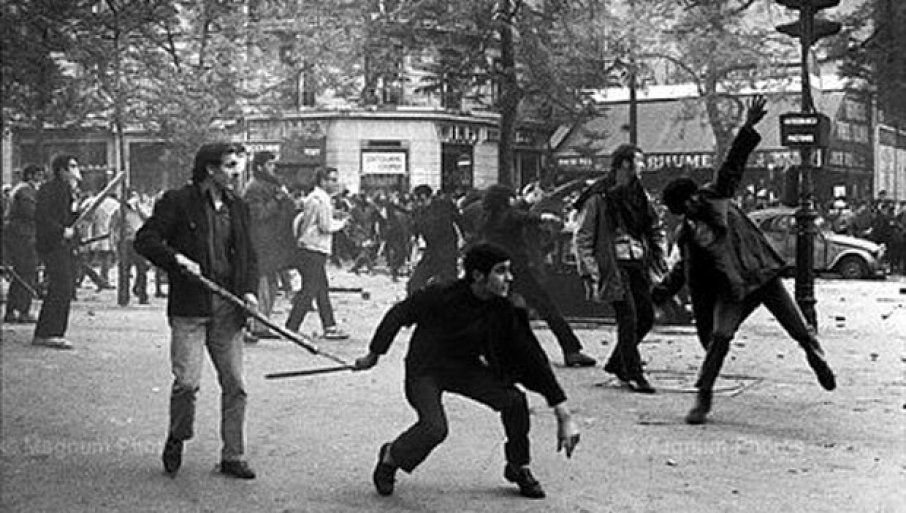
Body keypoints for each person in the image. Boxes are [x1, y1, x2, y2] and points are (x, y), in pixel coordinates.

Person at [652, 95, 836, 425]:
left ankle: (814, 355)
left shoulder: (717, 196)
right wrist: (662, 292)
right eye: (686, 205)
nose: (692, 205)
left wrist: (748, 127)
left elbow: (733, 164)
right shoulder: (689, 234)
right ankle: (703, 396)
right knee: (720, 339)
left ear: (696, 194)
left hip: (761, 274)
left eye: (692, 198)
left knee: (798, 329)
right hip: (735, 287)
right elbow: (685, 272)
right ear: (681, 210)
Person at [353, 242, 580, 499]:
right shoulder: (440, 295)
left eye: (509, 270)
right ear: (478, 276)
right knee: (434, 428)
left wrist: (563, 414)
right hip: (426, 370)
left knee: (514, 400)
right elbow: (398, 314)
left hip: (465, 370)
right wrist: (374, 354)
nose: (509, 278)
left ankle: (518, 466)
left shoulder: (505, 309)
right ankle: (391, 457)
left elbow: (533, 358)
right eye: (501, 271)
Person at [134, 142, 259, 479]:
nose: (236, 172)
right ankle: (177, 435)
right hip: (190, 307)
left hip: (228, 308)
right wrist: (177, 259)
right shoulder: (178, 201)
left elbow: (249, 256)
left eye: (237, 165)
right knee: (187, 384)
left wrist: (249, 291)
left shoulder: (239, 207)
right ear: (210, 169)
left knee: (236, 385)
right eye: (230, 165)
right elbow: (145, 240)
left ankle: (233, 455)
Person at [574, 143, 668, 393]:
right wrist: (591, 271)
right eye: (639, 161)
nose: (643, 166)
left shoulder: (640, 195)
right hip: (612, 264)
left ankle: (618, 362)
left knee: (646, 316)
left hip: (637, 260)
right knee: (628, 317)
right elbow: (583, 236)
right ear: (626, 164)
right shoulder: (599, 196)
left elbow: (654, 226)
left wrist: (659, 257)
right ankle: (633, 373)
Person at [482, 184, 597, 368]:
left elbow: (518, 214)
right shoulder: (508, 215)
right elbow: (522, 216)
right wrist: (544, 217)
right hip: (518, 270)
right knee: (546, 307)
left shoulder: (487, 219)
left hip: (495, 271)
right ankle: (571, 350)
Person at [285, 167, 349, 339]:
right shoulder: (322, 200)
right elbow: (325, 226)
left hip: (309, 246)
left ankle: (329, 325)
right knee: (310, 289)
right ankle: (292, 326)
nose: (335, 183)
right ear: (323, 181)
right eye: (332, 180)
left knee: (321, 289)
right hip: (315, 248)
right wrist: (342, 223)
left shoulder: (314, 198)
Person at [242, 151, 296, 342]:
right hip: (261, 243)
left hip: (274, 242)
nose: (274, 168)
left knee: (272, 284)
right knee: (263, 284)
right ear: (260, 167)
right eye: (270, 164)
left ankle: (263, 322)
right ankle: (258, 324)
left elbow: (290, 209)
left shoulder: (273, 185)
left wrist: (286, 199)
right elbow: (258, 214)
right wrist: (277, 200)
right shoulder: (254, 188)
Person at [32, 155, 82, 349]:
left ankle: (51, 331)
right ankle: (49, 332)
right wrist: (61, 230)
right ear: (62, 170)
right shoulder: (49, 189)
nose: (76, 170)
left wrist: (78, 215)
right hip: (51, 244)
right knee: (61, 286)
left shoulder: (68, 190)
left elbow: (67, 216)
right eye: (72, 166)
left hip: (62, 244)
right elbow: (43, 217)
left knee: (62, 287)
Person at [3, 164, 44, 323]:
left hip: (18, 235)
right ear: (31, 175)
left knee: (20, 274)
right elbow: (32, 213)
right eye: (39, 175)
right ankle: (23, 310)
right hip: (24, 236)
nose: (41, 178)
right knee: (28, 273)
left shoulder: (19, 189)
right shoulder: (26, 191)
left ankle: (11, 310)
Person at [407, 185, 463, 295]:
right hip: (431, 251)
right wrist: (413, 256)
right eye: (417, 200)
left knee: (450, 284)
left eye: (421, 200)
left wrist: (462, 241)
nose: (419, 203)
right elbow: (415, 234)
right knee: (414, 284)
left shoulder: (444, 206)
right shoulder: (418, 212)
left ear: (426, 196)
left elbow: (459, 222)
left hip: (448, 252)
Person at [109, 191, 150, 304]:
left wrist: (139, 208)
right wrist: (114, 244)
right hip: (125, 242)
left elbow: (148, 219)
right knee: (124, 270)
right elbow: (113, 227)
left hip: (138, 241)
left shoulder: (138, 211)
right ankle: (124, 297)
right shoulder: (119, 212)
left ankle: (142, 295)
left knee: (142, 269)